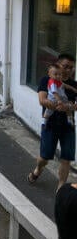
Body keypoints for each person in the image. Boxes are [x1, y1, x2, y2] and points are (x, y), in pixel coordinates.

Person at [28, 54, 77, 189]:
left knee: (66, 158)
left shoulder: (74, 85)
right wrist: (56, 105)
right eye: (65, 66)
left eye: (71, 68)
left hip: (68, 126)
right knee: (45, 157)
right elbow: (42, 100)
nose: (68, 70)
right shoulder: (46, 80)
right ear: (58, 65)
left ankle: (60, 189)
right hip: (50, 125)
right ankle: (38, 169)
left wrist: (68, 107)